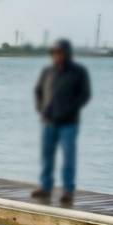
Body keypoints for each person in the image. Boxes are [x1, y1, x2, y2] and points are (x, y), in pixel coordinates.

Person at [32, 39, 91, 205]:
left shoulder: (78, 72)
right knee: (46, 156)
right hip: (48, 122)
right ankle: (45, 187)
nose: (57, 55)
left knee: (68, 158)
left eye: (60, 52)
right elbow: (38, 90)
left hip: (69, 123)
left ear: (67, 53)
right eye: (54, 52)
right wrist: (41, 108)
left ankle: (68, 190)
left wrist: (70, 109)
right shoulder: (48, 71)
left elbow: (84, 95)